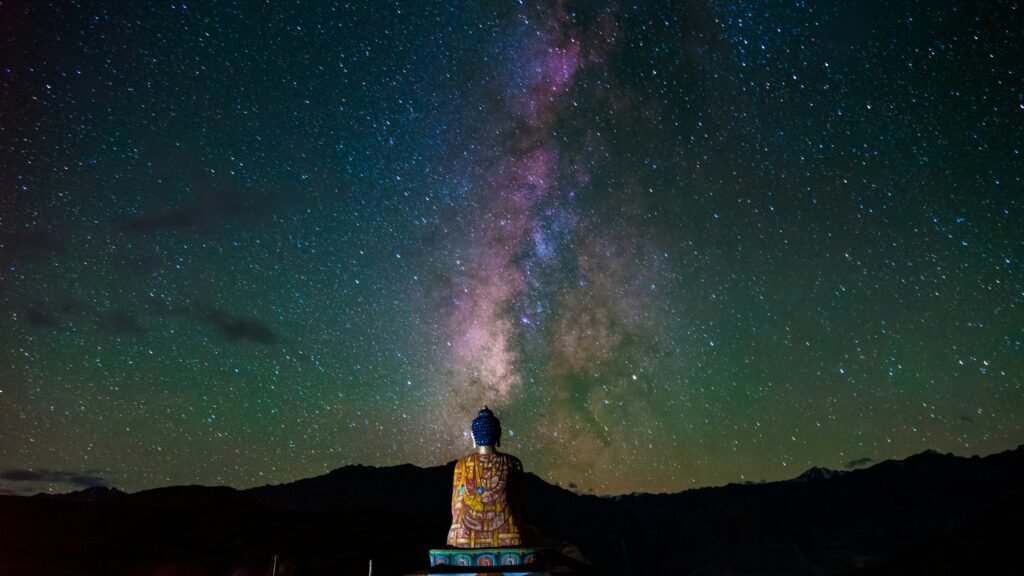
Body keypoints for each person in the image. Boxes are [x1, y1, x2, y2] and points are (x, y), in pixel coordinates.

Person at [446, 407, 524, 548]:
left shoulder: (461, 465)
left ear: (473, 436)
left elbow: (455, 507)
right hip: (509, 534)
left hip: (464, 537)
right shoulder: (513, 463)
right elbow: (520, 506)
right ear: (499, 434)